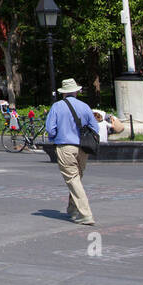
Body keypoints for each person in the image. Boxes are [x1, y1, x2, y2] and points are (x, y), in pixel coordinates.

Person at [44, 78, 100, 225]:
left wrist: (54, 136)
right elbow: (95, 127)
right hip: (83, 147)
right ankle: (72, 209)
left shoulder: (57, 107)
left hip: (65, 146)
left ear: (63, 93)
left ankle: (85, 213)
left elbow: (50, 129)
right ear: (76, 91)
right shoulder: (85, 106)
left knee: (72, 179)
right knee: (77, 178)